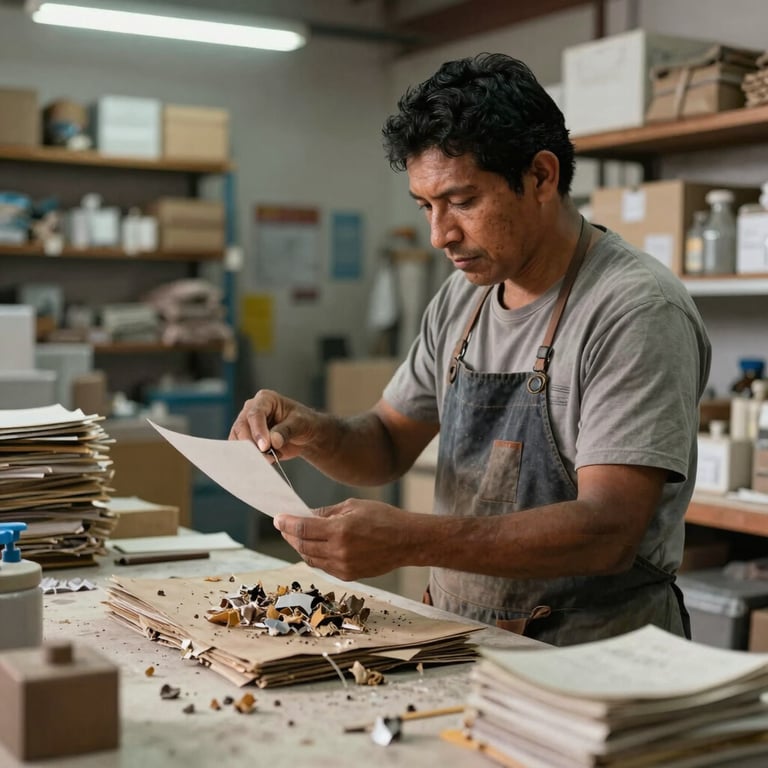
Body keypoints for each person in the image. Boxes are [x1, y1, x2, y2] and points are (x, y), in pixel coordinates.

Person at [230, 53, 711, 646]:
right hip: (465, 640)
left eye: (461, 201)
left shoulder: (633, 309)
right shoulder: (464, 300)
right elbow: (384, 444)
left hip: (598, 655)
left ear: (540, 177)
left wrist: (409, 539)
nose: (440, 235)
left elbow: (607, 531)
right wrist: (313, 431)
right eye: (426, 206)